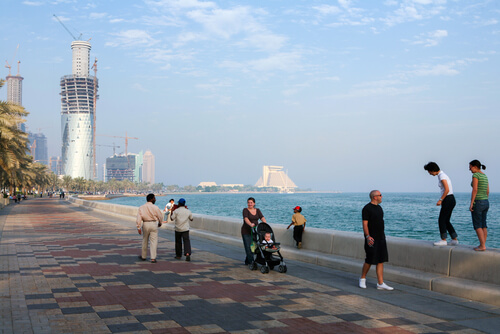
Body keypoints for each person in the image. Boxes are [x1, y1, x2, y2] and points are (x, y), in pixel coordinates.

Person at [359, 190, 394, 291]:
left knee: (381, 260)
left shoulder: (379, 208)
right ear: (375, 197)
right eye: (380, 195)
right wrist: (367, 236)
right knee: (369, 259)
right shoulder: (366, 208)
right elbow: (365, 224)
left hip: (381, 238)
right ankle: (362, 278)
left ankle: (380, 283)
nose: (382, 197)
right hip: (371, 238)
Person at [424, 162, 458, 246]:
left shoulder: (442, 176)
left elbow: (446, 189)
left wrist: (441, 200)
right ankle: (454, 239)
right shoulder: (442, 175)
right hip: (451, 199)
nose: (429, 173)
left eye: (429, 171)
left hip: (448, 199)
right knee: (446, 220)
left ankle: (443, 240)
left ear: (432, 170)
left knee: (441, 220)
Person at [136, 193, 165, 263]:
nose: (155, 199)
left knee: (145, 240)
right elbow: (160, 216)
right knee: (154, 241)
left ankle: (143, 256)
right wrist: (160, 223)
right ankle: (153, 258)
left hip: (145, 223)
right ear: (151, 199)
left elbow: (139, 218)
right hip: (153, 224)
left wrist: (138, 227)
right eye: (154, 198)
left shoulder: (141, 207)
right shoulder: (155, 207)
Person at [469, 159, 489, 251]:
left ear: (475, 167)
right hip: (485, 201)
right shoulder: (484, 176)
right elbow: (487, 191)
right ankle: (483, 244)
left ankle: (482, 245)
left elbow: (475, 190)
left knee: (477, 225)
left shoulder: (476, 175)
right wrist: (485, 199)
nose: (470, 170)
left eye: (470, 167)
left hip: (478, 202)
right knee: (483, 224)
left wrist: (472, 203)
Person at [242, 197, 266, 265]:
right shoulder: (245, 210)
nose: (250, 204)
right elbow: (246, 218)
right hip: (246, 231)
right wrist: (250, 224)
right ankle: (251, 262)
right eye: (248, 203)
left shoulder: (257, 210)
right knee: (248, 247)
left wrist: (265, 223)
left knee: (255, 247)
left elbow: (262, 217)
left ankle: (248, 261)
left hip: (255, 231)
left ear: (254, 203)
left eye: (251, 203)